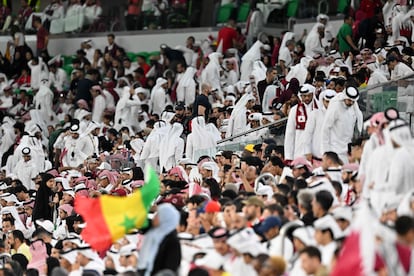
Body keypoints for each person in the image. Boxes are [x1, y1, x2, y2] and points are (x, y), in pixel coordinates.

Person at [321, 86, 363, 164]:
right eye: (349, 100)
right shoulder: (335, 106)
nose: (351, 103)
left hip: (348, 148)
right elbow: (326, 128)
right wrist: (326, 151)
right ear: (344, 97)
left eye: (353, 101)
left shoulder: (353, 105)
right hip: (335, 149)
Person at [137, 203, 181, 276]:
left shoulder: (172, 241)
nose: (154, 217)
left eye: (158, 215)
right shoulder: (155, 231)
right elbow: (141, 223)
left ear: (164, 217)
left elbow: (170, 267)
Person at [284, 84, 317, 162]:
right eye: (304, 96)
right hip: (299, 151)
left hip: (316, 151)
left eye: (309, 96)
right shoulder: (294, 110)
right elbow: (290, 134)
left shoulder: (319, 108)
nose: (307, 98)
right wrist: (288, 156)